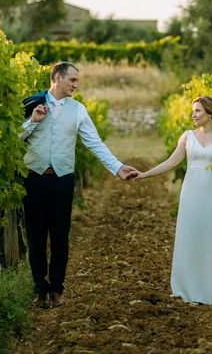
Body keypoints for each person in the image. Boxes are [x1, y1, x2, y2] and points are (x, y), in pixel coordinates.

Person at [20, 61, 138, 308]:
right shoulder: (31, 104)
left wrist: (117, 167)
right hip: (35, 179)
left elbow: (94, 143)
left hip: (63, 180)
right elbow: (14, 138)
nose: (76, 84)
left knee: (61, 237)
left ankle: (57, 289)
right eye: (72, 80)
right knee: (36, 237)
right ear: (57, 78)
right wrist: (32, 121)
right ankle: (40, 289)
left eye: (76, 80)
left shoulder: (78, 110)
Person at [136, 95, 212, 305]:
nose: (194, 115)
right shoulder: (187, 137)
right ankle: (187, 287)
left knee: (211, 238)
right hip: (190, 194)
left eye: (198, 111)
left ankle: (210, 287)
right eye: (193, 111)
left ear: (209, 113)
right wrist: (145, 174)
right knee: (189, 236)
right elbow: (171, 162)